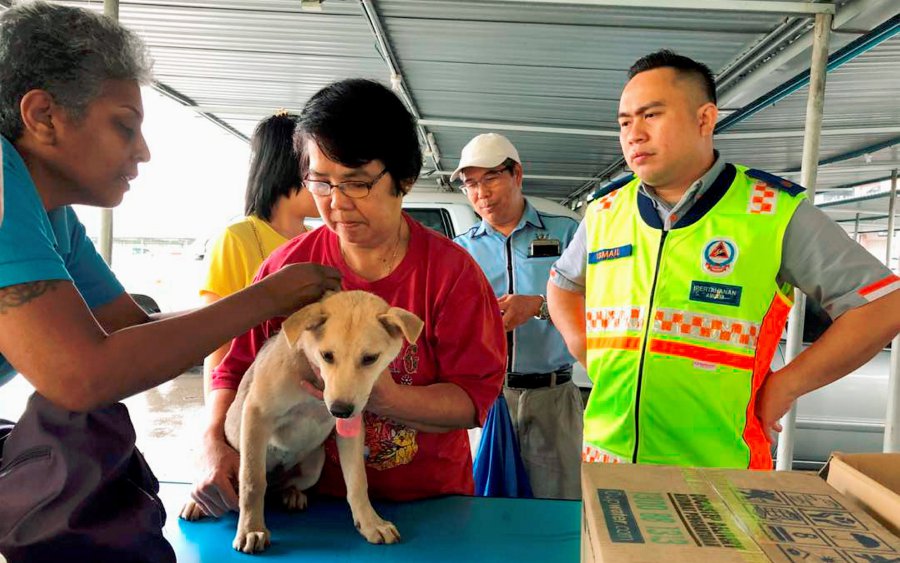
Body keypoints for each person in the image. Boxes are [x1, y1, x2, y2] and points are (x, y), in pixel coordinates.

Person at [0, 3, 339, 561]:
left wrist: (272, 316)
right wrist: (265, 296)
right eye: (124, 126)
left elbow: (130, 330)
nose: (143, 151)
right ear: (42, 115)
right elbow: (81, 376)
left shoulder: (53, 213)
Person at [548, 50, 900, 469]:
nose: (634, 134)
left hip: (719, 472)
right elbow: (563, 286)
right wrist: (586, 349)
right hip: (608, 465)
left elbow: (882, 306)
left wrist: (786, 386)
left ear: (705, 119)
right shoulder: (607, 212)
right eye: (625, 122)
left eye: (651, 116)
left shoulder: (770, 211)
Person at [189, 78, 506, 519]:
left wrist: (377, 395)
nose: (336, 203)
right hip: (308, 504)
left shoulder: (453, 275)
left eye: (356, 183)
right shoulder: (288, 270)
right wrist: (212, 444)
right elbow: (233, 368)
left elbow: (474, 399)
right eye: (321, 182)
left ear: (405, 178)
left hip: (429, 505)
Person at [451, 133, 582, 500]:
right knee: (488, 503)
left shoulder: (567, 233)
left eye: (491, 178)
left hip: (553, 397)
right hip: (490, 398)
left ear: (517, 174)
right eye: (470, 184)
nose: (481, 193)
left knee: (559, 503)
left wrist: (539, 305)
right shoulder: (461, 251)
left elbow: (601, 304)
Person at [200, 111, 318, 395]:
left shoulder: (318, 241)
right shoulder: (236, 239)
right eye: (320, 173)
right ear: (294, 170)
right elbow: (216, 341)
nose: (329, 187)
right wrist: (216, 425)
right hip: (254, 403)